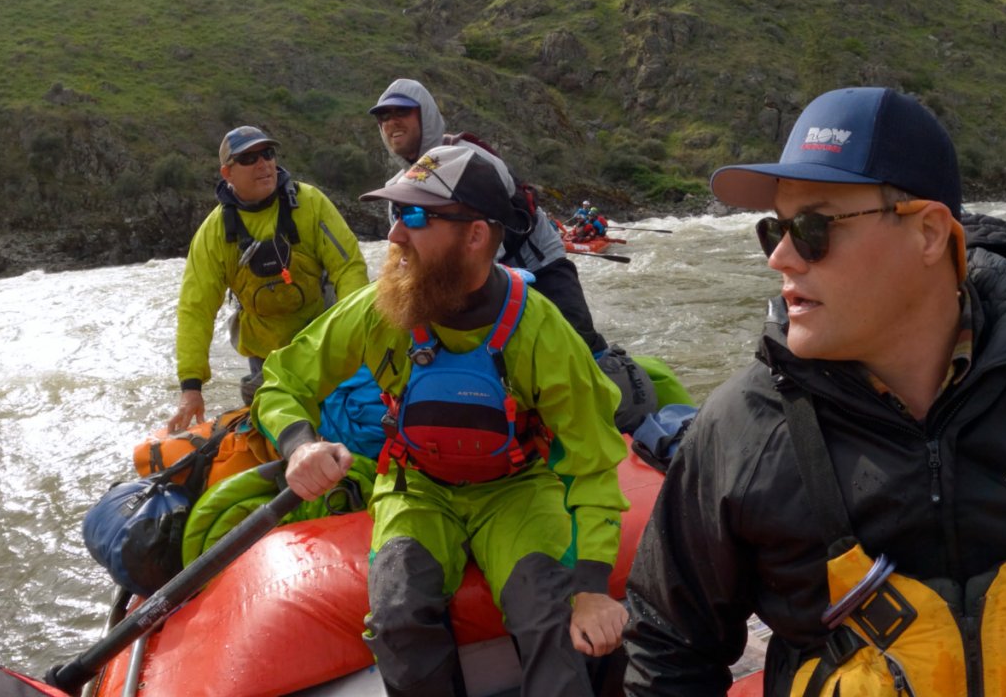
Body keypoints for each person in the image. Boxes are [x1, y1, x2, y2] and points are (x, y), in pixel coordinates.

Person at [622, 86, 1006, 696]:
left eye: (813, 228)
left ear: (930, 234)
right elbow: (669, 650)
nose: (781, 257)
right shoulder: (742, 430)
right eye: (774, 228)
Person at [253, 144, 630, 696]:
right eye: (396, 216)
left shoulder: (542, 331)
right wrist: (299, 445)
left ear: (475, 235)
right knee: (398, 615)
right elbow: (284, 379)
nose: (395, 236)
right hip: (417, 488)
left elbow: (593, 460)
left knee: (549, 615)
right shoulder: (381, 307)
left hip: (517, 491)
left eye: (413, 217)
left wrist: (594, 585)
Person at [368, 78, 657, 433]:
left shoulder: (473, 162)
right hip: (475, 280)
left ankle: (623, 414)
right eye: (384, 116)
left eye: (402, 112)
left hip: (539, 265)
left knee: (579, 342)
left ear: (425, 116)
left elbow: (488, 240)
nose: (391, 122)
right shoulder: (399, 191)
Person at [167, 126, 370, 432]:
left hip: (325, 339)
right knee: (278, 431)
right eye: (248, 158)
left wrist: (355, 338)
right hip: (265, 354)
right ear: (227, 173)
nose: (262, 163)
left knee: (344, 421)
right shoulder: (213, 234)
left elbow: (349, 268)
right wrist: (191, 388)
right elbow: (196, 309)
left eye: (267, 154)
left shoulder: (311, 203)